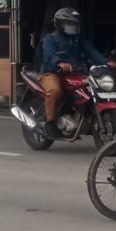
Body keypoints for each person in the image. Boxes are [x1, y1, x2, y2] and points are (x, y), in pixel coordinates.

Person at [39, 8, 109, 140]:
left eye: (75, 24)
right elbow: (49, 55)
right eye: (69, 24)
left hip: (75, 73)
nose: (73, 27)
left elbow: (91, 51)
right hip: (52, 73)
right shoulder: (50, 39)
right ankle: (50, 123)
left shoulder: (79, 39)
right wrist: (59, 63)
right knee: (55, 91)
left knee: (89, 89)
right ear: (60, 24)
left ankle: (77, 115)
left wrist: (105, 62)